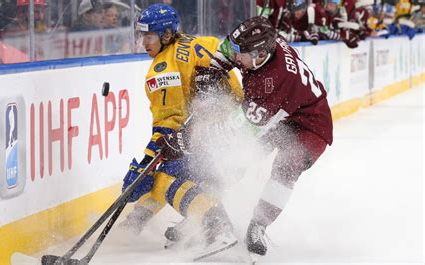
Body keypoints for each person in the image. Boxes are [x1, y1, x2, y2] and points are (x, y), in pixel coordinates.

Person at [158, 15, 333, 259]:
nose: (236, 58)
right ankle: (204, 212)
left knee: (285, 168)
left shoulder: (273, 82)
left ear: (260, 54)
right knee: (233, 161)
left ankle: (258, 226)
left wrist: (187, 140)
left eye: (242, 54)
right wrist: (212, 71)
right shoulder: (256, 42)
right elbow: (227, 50)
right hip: (276, 111)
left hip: (310, 124)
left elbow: (239, 130)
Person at [118, 3, 243, 259]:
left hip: (213, 139)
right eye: (142, 35)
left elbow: (169, 126)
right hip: (240, 134)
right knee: (179, 169)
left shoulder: (162, 68)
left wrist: (144, 164)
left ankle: (217, 226)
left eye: (149, 36)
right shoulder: (205, 41)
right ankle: (140, 220)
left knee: (164, 175)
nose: (144, 42)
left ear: (166, 35)